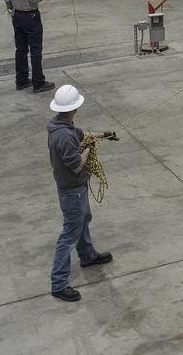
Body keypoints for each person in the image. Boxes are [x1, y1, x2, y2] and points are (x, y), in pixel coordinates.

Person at [47, 84, 115, 302]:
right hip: (72, 190)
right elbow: (76, 165)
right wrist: (87, 149)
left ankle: (87, 255)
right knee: (69, 234)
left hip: (75, 187)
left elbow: (83, 135)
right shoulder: (64, 136)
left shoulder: (61, 126)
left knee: (83, 219)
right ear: (74, 108)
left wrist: (104, 135)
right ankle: (59, 284)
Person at [4, 0, 55, 93]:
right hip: (30, 17)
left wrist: (12, 12)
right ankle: (38, 82)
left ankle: (21, 81)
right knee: (35, 49)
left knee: (20, 49)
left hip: (17, 16)